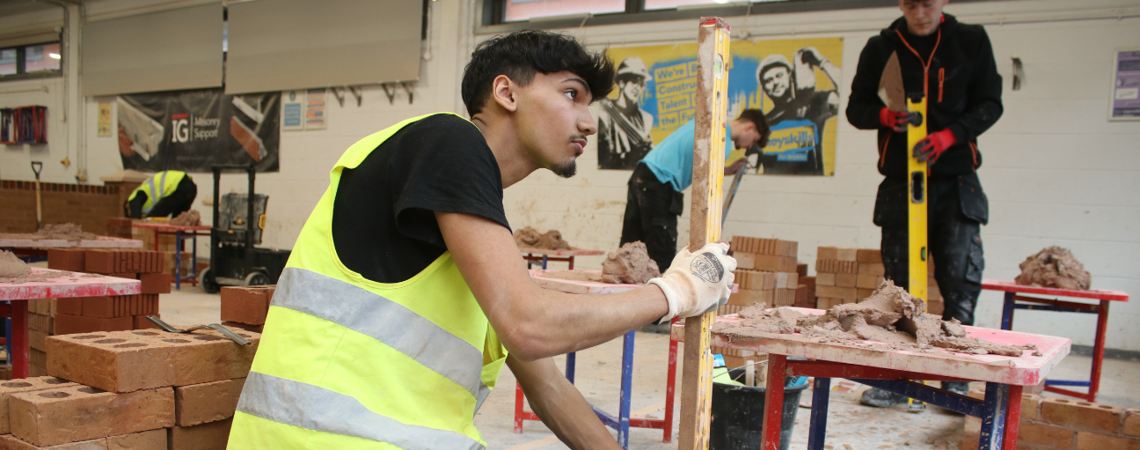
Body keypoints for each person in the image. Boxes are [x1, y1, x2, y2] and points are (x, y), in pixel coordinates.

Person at [226, 31, 737, 450]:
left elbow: (548, 387)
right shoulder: (449, 140)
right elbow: (530, 325)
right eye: (571, 94)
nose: (588, 121)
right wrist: (676, 292)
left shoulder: (469, 229)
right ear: (506, 93)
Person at [846, 0, 1002, 407]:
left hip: (956, 180)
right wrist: (885, 117)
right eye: (910, 4)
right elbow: (856, 109)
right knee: (898, 290)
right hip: (901, 180)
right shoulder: (882, 47)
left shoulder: (971, 41)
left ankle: (955, 380)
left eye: (927, 3)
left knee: (960, 284)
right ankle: (897, 380)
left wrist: (950, 136)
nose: (919, 13)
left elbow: (990, 103)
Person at [620, 110, 769, 272]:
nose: (749, 146)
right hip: (660, 183)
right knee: (662, 254)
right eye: (754, 140)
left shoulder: (705, 124)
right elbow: (706, 183)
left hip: (642, 175)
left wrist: (726, 170)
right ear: (749, 127)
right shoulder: (721, 140)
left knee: (629, 249)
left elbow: (696, 163)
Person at [756, 47, 840, 175]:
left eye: (779, 76)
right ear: (764, 88)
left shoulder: (813, 104)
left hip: (809, 184)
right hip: (772, 184)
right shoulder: (762, 122)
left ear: (791, 77)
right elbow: (753, 163)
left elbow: (849, 95)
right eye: (768, 81)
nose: (775, 83)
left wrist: (822, 62)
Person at [596, 56, 655, 170]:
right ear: (622, 83)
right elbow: (602, 162)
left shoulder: (646, 118)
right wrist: (630, 157)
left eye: (641, 84)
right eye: (634, 81)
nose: (638, 88)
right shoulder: (604, 115)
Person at [123, 170, 197, 219]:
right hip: (191, 187)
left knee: (153, 219)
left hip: (177, 185)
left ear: (126, 206)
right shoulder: (144, 202)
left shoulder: (133, 199)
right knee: (177, 222)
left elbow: (135, 219)